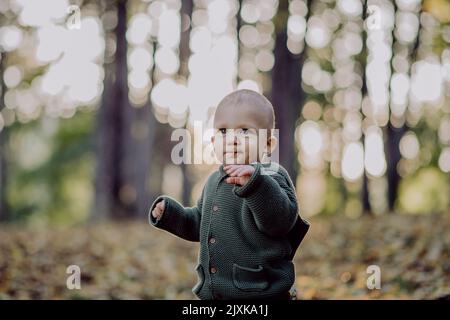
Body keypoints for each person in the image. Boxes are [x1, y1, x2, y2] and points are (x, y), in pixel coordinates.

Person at [149, 89, 309, 300]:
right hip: (214, 294)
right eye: (223, 131)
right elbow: (201, 223)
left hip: (261, 293)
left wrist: (256, 183)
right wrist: (170, 214)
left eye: (244, 131)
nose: (232, 139)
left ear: (268, 144)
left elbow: (280, 222)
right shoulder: (213, 181)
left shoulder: (272, 175)